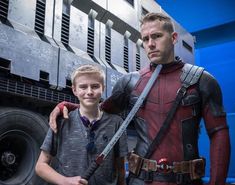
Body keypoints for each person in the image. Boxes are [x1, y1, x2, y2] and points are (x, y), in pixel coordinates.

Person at [49, 13, 230, 185]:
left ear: (174, 38)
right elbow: (102, 111)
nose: (150, 44)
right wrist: (68, 106)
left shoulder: (202, 80)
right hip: (140, 180)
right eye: (145, 39)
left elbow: (219, 133)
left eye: (157, 36)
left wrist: (217, 182)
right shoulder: (130, 82)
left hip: (186, 180)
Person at [35, 64, 128, 185]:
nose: (89, 92)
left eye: (95, 86)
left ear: (103, 88)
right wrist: (65, 181)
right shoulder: (61, 121)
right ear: (74, 90)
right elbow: (41, 165)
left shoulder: (116, 123)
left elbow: (120, 167)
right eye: (83, 87)